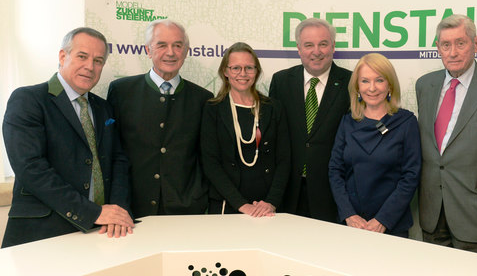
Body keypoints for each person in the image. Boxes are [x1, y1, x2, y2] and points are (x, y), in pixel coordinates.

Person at [2, 27, 134, 247]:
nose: (90, 66)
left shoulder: (103, 108)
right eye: (82, 56)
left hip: (102, 233)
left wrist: (117, 212)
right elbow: (31, 169)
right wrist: (91, 213)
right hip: (43, 234)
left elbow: (118, 161)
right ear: (63, 56)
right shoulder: (28, 100)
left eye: (98, 60)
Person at [416, 14, 477, 255]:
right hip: (432, 212)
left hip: (476, 213)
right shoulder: (425, 85)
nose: (452, 52)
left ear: (476, 44)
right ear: (438, 48)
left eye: (460, 43)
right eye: (446, 45)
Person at [107, 20, 213, 218]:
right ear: (148, 50)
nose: (171, 52)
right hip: (131, 209)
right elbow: (112, 152)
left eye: (177, 45)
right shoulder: (121, 91)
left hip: (186, 211)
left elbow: (206, 158)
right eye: (162, 45)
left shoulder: (203, 98)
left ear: (186, 51)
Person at [328, 53, 420, 237]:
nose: (372, 88)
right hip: (354, 225)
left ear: (390, 85)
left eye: (379, 80)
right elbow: (335, 170)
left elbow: (410, 176)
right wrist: (349, 214)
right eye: (365, 81)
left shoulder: (406, 122)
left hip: (392, 225)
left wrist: (383, 220)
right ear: (357, 86)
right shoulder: (347, 122)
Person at [269, 18, 351, 222]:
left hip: (332, 194)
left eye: (323, 44)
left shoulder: (352, 83)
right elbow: (274, 137)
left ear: (333, 46)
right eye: (309, 45)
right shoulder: (280, 82)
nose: (317, 51)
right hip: (288, 193)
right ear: (298, 48)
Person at [201, 42, 290, 216]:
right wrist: (242, 205)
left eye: (249, 67)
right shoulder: (213, 109)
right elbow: (210, 163)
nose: (243, 74)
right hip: (226, 205)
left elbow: (284, 160)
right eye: (236, 68)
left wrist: (271, 201)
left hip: (267, 207)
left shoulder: (273, 108)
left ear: (256, 71)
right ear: (225, 72)